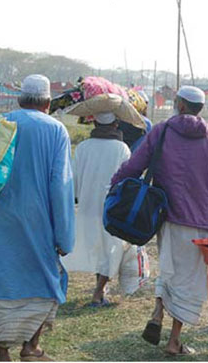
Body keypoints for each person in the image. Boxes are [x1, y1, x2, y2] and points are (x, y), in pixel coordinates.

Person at [111, 86, 208, 356]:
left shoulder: (162, 131)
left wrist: (115, 185)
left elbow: (135, 165)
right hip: (201, 223)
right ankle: (174, 341)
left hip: (166, 217)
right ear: (199, 108)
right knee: (189, 282)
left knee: (169, 270)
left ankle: (158, 313)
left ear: (180, 105)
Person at [0, 75, 75, 361]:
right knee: (43, 282)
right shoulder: (56, 130)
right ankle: (31, 346)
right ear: (47, 102)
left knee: (1, 282)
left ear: (20, 99)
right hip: (38, 222)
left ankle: (2, 351)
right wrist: (64, 235)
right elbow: (61, 185)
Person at [62, 112, 141, 308]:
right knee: (111, 248)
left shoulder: (83, 147)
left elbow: (75, 179)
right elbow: (128, 180)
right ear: (116, 124)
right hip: (112, 208)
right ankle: (98, 292)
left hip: (88, 206)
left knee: (97, 247)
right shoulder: (121, 148)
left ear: (94, 122)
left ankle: (100, 288)